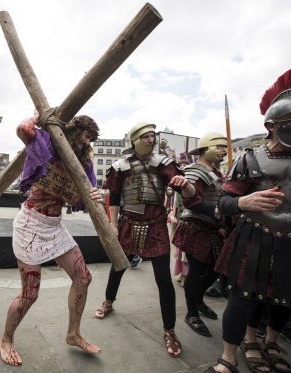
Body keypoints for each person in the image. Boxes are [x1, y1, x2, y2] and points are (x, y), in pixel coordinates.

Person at [206, 65, 291, 373]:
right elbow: (222, 203)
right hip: (256, 238)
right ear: (274, 126)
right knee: (242, 302)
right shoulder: (250, 159)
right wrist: (243, 201)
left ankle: (271, 343)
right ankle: (229, 356)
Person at [0, 114, 102, 366]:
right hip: (30, 224)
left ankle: (73, 334)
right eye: (86, 136)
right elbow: (24, 129)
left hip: (54, 226)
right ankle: (6, 339)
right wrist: (41, 117)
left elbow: (85, 197)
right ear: (74, 130)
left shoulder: (83, 164)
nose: (88, 143)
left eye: (92, 139)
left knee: (83, 277)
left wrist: (95, 195)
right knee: (29, 294)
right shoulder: (49, 142)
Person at [93, 122, 195, 358]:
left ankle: (169, 330)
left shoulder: (164, 164)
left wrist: (187, 186)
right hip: (129, 223)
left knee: (163, 279)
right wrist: (113, 225)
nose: (151, 139)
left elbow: (185, 191)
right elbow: (116, 197)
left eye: (153, 136)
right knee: (118, 267)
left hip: (156, 226)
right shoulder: (120, 166)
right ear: (135, 139)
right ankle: (108, 301)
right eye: (146, 136)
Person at [172, 132, 229, 338]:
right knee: (196, 271)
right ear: (208, 148)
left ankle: (198, 299)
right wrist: (217, 213)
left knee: (215, 269)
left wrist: (221, 220)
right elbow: (191, 201)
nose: (224, 150)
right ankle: (191, 313)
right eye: (221, 147)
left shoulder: (214, 171)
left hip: (212, 227)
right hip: (195, 225)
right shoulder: (195, 170)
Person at [170, 156, 190, 285]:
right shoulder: (174, 187)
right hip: (178, 221)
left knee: (186, 252)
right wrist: (172, 214)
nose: (182, 167)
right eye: (180, 166)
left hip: (189, 221)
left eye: (185, 166)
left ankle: (185, 275)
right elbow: (173, 205)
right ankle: (182, 273)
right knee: (179, 250)